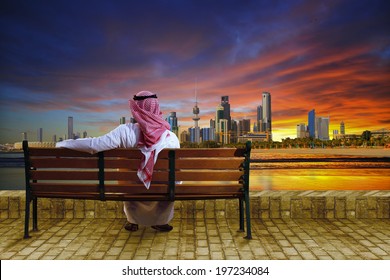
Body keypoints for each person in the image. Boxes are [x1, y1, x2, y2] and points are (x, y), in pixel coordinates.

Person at [56, 91, 180, 232]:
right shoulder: (171, 137)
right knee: (168, 179)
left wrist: (63, 144)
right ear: (157, 108)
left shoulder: (124, 131)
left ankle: (133, 221)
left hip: (130, 188)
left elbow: (94, 145)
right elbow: (175, 172)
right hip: (162, 189)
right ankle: (161, 220)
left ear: (136, 109)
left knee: (126, 174)